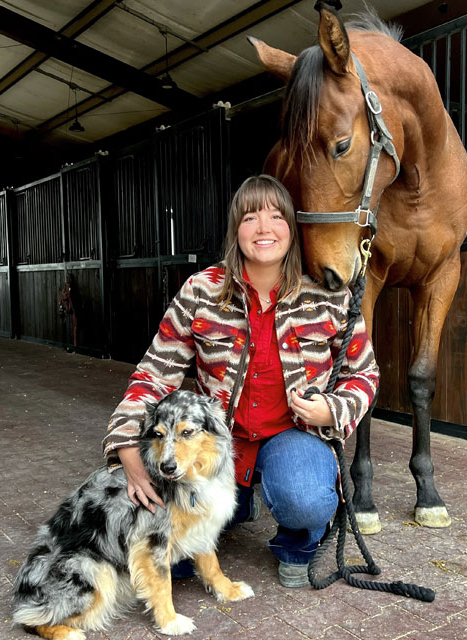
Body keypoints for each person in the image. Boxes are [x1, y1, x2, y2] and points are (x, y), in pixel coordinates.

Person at [103, 175, 379, 587]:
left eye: (275, 216)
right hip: (220, 441)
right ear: (236, 230)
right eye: (250, 217)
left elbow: (365, 373)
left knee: (303, 497)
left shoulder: (327, 294)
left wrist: (333, 409)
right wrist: (125, 444)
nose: (264, 228)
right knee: (168, 559)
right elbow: (153, 373)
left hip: (295, 436)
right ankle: (237, 504)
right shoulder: (201, 290)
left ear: (292, 227)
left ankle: (298, 541)